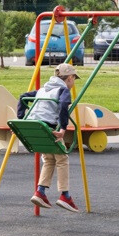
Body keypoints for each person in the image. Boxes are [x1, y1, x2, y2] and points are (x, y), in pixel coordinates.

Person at [26, 62, 81, 213]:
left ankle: (40, 192)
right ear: (70, 78)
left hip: (35, 127)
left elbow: (23, 97)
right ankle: (65, 195)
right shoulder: (63, 90)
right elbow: (63, 106)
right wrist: (63, 128)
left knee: (49, 159)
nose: (74, 83)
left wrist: (21, 117)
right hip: (49, 128)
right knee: (62, 158)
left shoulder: (43, 90)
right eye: (74, 79)